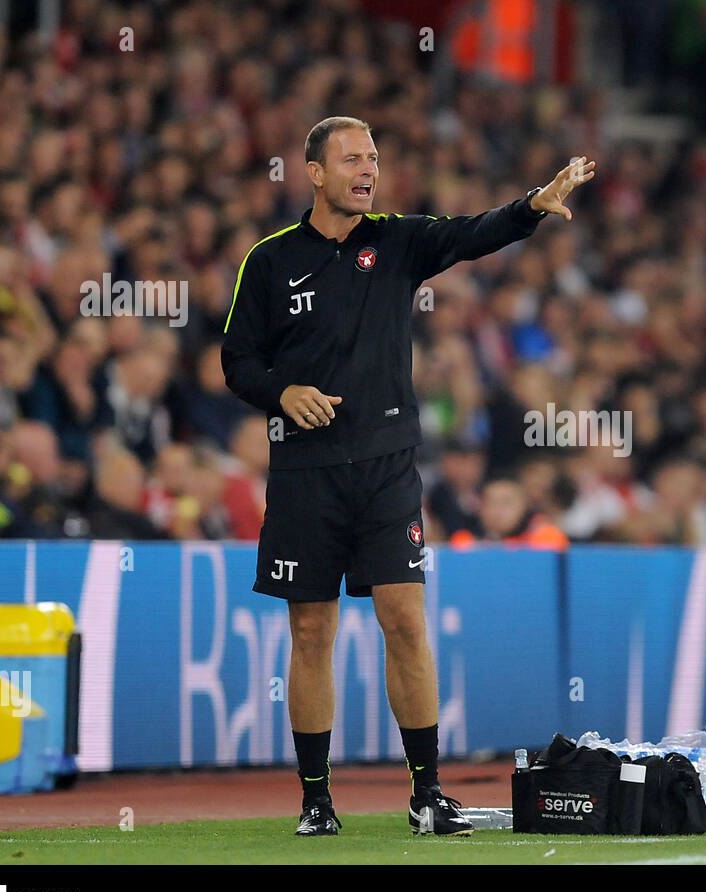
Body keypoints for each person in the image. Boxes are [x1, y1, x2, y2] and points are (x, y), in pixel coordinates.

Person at [221, 116, 594, 836]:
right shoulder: (268, 261)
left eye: (374, 158)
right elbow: (236, 361)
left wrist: (530, 207)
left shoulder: (396, 240)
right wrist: (282, 393)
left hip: (387, 467)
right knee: (310, 631)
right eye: (352, 159)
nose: (368, 169)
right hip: (304, 472)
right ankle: (316, 801)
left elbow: (470, 233)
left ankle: (428, 795)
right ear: (315, 173)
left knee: (404, 620)